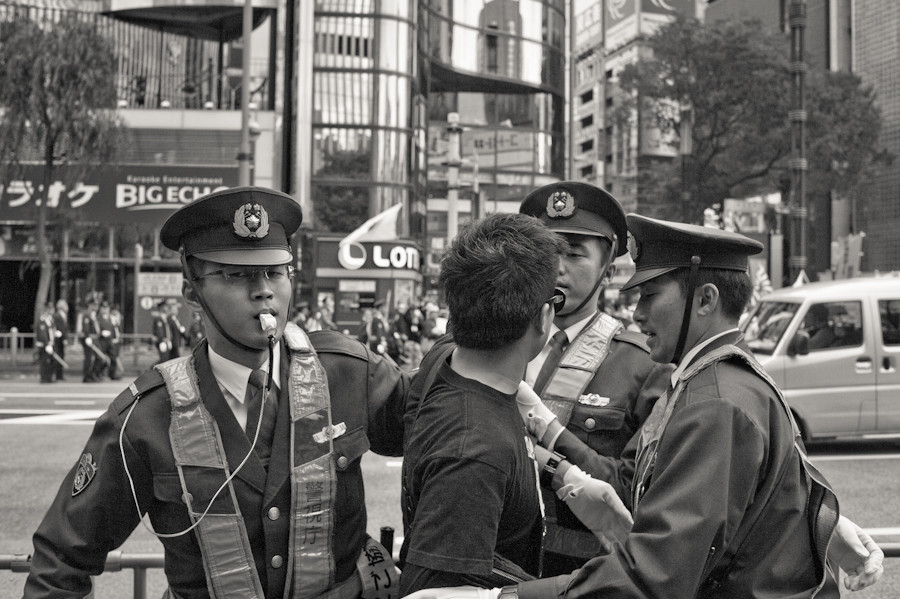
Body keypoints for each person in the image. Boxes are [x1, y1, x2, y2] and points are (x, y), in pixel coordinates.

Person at [406, 215, 885, 599]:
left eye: (650, 296)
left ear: (706, 300)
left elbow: (656, 574)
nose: (636, 313)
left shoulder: (716, 401)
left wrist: (506, 598)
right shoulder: (711, 380)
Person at [24, 187, 409, 599]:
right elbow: (61, 561)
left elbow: (444, 424)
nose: (263, 291)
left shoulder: (348, 372)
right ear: (192, 292)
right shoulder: (147, 417)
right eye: (236, 275)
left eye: (275, 272)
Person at [399, 213, 572, 595]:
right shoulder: (475, 451)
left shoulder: (446, 358)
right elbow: (430, 591)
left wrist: (562, 471)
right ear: (544, 317)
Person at [514, 181, 671, 573]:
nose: (556, 267)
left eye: (573, 253)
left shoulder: (644, 364)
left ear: (608, 272)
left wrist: (548, 446)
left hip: (585, 575)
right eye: (546, 252)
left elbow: (638, 491)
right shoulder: (497, 344)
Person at [79, 296, 103, 382]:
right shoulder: (87, 314)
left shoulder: (94, 314)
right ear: (90, 305)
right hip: (89, 338)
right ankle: (87, 376)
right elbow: (86, 327)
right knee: (89, 358)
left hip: (95, 338)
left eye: (96, 305)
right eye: (94, 304)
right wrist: (87, 337)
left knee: (99, 357)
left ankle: (93, 374)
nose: (96, 306)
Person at [96, 300, 122, 380]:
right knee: (101, 358)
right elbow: (95, 329)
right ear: (100, 309)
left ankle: (112, 374)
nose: (105, 309)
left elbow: (115, 329)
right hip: (101, 340)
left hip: (110, 340)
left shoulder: (111, 318)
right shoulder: (97, 318)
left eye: (106, 308)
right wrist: (101, 333)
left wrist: (114, 338)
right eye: (103, 308)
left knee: (113, 357)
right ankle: (98, 374)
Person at [35, 303, 56, 384]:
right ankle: (44, 378)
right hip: (44, 344)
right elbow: (42, 333)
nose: (52, 311)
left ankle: (49, 377)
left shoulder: (50, 319)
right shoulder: (42, 319)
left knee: (51, 361)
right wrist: (47, 344)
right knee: (44, 361)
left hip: (50, 344)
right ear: (47, 309)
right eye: (51, 309)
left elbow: (51, 330)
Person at [52, 299, 69, 381]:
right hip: (58, 340)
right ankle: (57, 375)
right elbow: (60, 328)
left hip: (61, 339)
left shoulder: (63, 315)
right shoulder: (57, 315)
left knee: (61, 356)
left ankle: (60, 375)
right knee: (58, 356)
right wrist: (63, 338)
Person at [151, 299, 172, 365]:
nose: (166, 308)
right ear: (161, 308)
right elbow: (159, 331)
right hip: (162, 341)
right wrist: (162, 339)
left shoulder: (166, 318)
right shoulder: (158, 318)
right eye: (165, 306)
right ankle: (152, 368)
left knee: (166, 359)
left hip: (167, 341)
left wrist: (169, 339)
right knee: (163, 360)